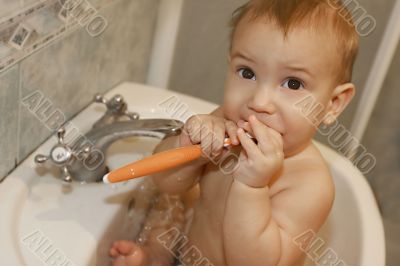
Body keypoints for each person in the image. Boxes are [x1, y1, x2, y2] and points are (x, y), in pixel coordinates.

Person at [109, 0, 359, 265]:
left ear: (333, 104)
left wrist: (252, 186)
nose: (259, 102)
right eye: (247, 72)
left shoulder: (309, 183)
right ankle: (153, 256)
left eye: (293, 83)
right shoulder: (227, 120)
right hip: (189, 254)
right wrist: (188, 148)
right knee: (172, 203)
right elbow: (166, 182)